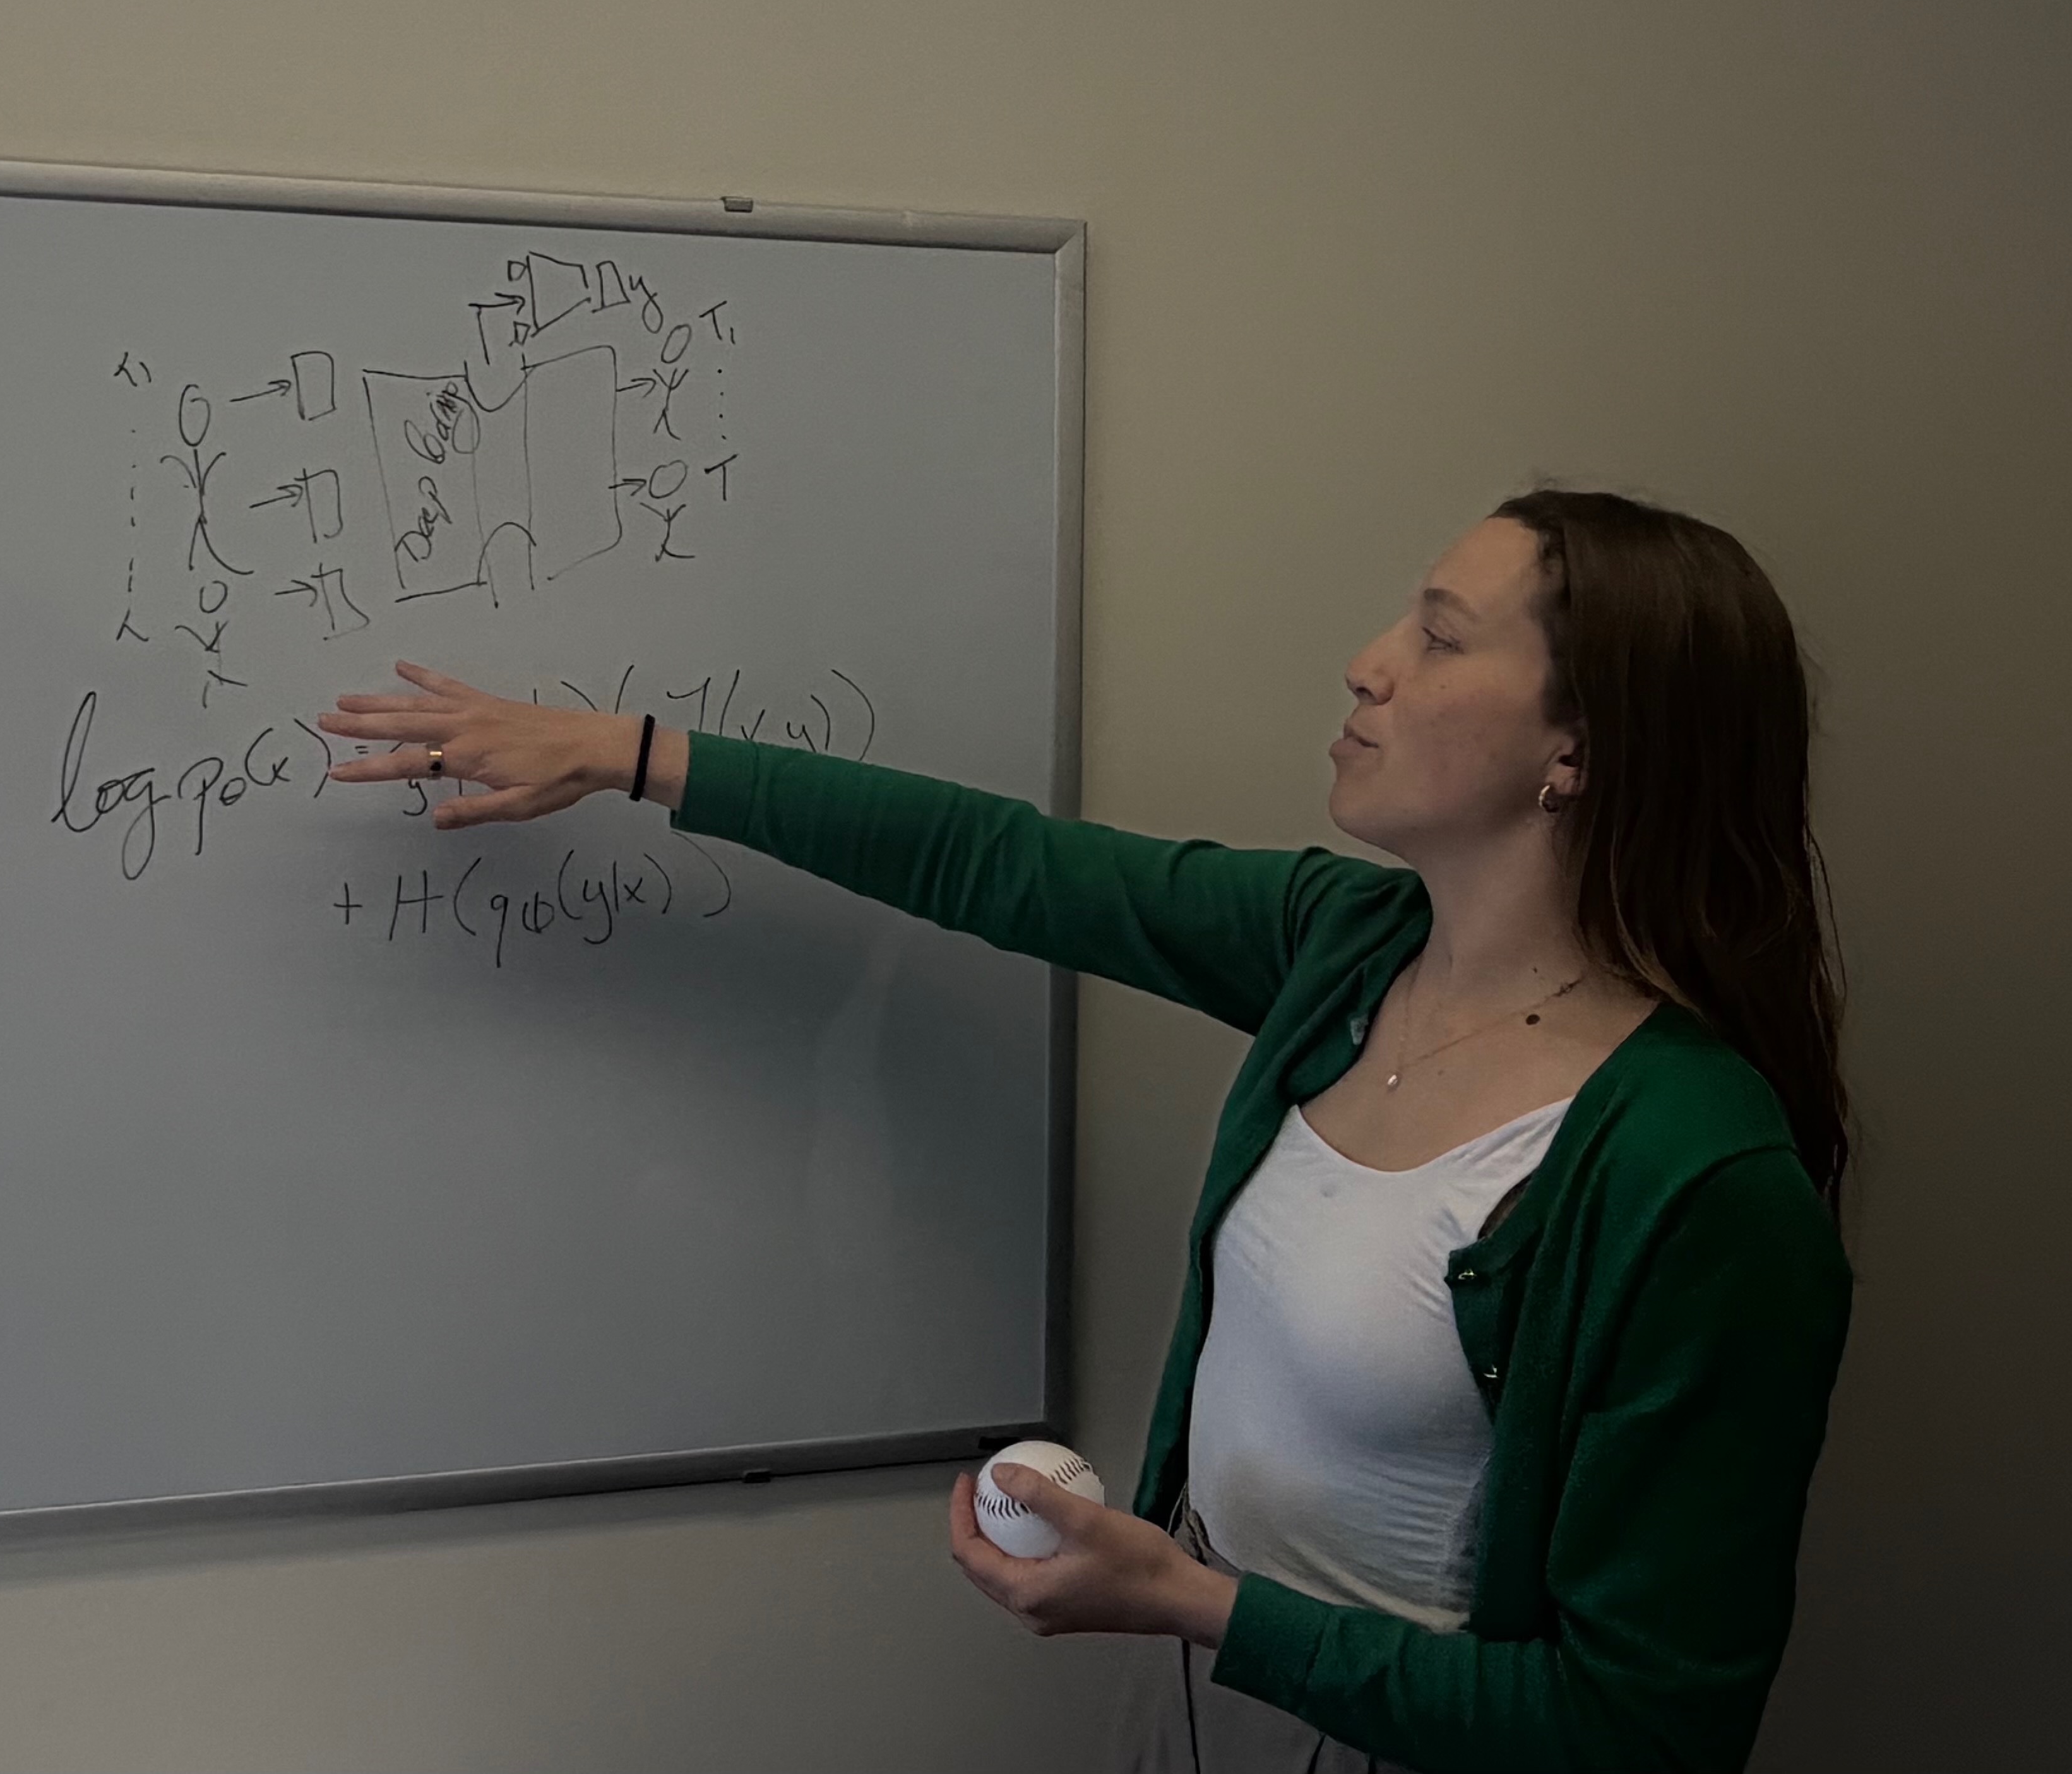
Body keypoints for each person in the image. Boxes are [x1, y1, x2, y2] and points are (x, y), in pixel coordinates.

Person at [316, 490, 1852, 1773]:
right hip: (1199, 1686)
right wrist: (631, 752)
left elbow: (1642, 1730)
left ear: (1579, 749)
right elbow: (1005, 863)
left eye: (1440, 636)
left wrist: (1198, 1606)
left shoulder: (1694, 1174)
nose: (1368, 663)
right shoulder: (1351, 946)